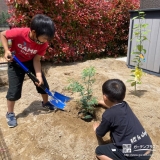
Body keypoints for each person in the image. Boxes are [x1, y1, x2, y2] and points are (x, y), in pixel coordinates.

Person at [0, 14, 56, 128]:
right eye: (44, 38)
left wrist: (39, 76)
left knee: (43, 84)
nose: (46, 41)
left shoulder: (43, 44)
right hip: (15, 63)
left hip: (31, 62)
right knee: (14, 91)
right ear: (34, 32)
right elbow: (3, 34)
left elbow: (36, 60)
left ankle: (45, 102)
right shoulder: (20, 33)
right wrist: (6, 50)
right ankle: (10, 113)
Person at [93, 79, 153, 160]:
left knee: (99, 151)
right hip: (147, 148)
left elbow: (100, 133)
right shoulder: (125, 105)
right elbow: (115, 108)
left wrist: (96, 129)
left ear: (105, 97)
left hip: (135, 156)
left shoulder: (108, 115)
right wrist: (102, 102)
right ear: (124, 96)